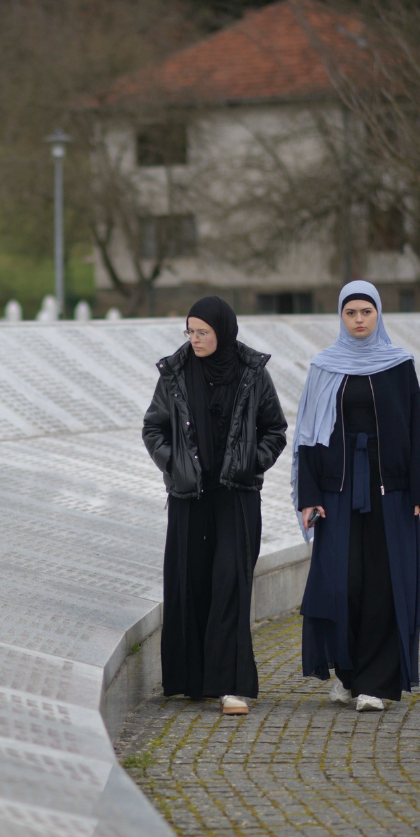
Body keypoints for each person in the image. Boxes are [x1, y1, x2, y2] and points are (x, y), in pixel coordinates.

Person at [292, 280, 420, 712]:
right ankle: (347, 675)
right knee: (342, 583)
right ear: (340, 316)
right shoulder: (325, 366)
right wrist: (308, 496)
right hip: (337, 494)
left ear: (378, 315)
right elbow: (308, 435)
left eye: (365, 312)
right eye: (351, 313)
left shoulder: (399, 364)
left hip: (390, 494)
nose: (358, 320)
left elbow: (416, 427)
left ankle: (377, 683)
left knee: (384, 584)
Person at [143, 296, 287, 716]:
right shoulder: (174, 372)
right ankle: (193, 681)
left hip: (237, 497)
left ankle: (230, 686)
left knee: (230, 584)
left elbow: (274, 429)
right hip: (190, 497)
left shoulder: (252, 372)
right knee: (191, 583)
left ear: (222, 330)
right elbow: (153, 427)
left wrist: (251, 463)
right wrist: (173, 465)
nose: (195, 339)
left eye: (202, 332)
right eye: (190, 331)